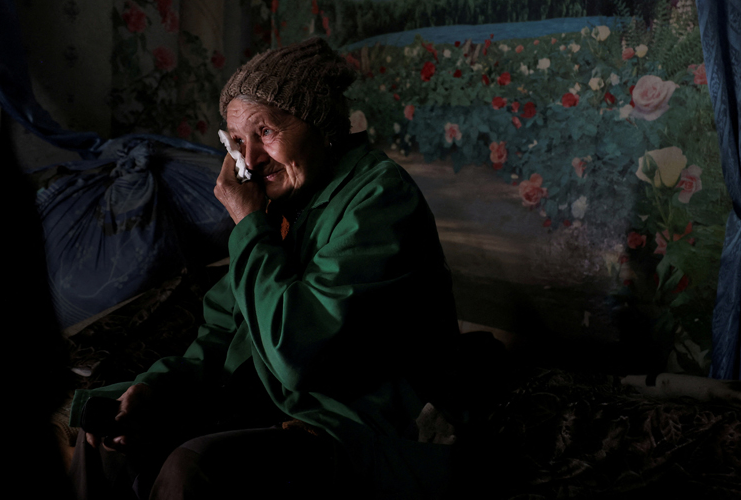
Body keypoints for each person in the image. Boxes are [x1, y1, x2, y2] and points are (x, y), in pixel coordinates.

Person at [68, 37, 459, 499]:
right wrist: (157, 388)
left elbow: (297, 353)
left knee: (193, 466)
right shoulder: (284, 202)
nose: (249, 160)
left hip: (356, 426)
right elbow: (222, 333)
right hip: (270, 403)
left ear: (321, 126)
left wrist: (249, 222)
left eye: (266, 132)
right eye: (236, 142)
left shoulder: (379, 198)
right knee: (106, 432)